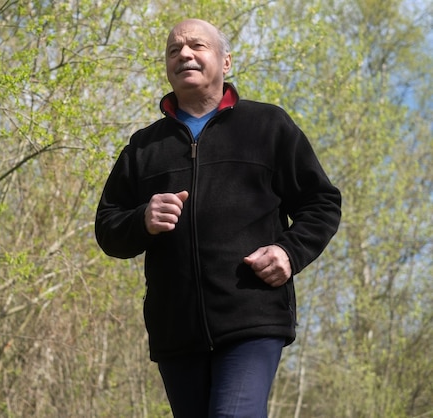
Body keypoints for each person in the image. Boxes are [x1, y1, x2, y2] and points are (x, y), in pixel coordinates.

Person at [95, 18, 341, 418]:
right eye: (174, 50)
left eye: (197, 46)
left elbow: (322, 202)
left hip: (252, 317)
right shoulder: (145, 147)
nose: (184, 55)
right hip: (176, 332)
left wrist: (289, 253)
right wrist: (142, 219)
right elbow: (107, 227)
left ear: (225, 62)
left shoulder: (267, 126)